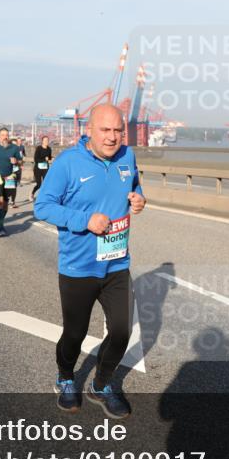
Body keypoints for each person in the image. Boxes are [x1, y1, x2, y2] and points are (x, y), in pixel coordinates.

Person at [34, 104, 147, 419]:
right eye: (105, 130)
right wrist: (85, 220)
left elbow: (133, 186)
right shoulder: (68, 163)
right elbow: (42, 206)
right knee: (75, 333)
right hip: (78, 267)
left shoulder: (127, 157)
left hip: (116, 264)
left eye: (118, 131)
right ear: (88, 130)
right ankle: (66, 377)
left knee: (123, 330)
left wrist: (140, 198)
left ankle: (102, 384)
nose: (113, 138)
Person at [32, 135, 53, 200]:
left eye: (47, 140)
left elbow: (49, 157)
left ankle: (44, 196)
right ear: (42, 141)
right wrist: (44, 159)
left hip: (45, 168)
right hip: (38, 168)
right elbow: (36, 159)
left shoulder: (49, 149)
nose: (46, 142)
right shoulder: (39, 148)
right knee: (39, 184)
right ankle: (32, 193)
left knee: (46, 183)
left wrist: (52, 158)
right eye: (45, 140)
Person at [11, 137, 26, 207]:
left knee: (14, 186)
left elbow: (21, 159)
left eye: (15, 144)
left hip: (16, 169)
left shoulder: (19, 151)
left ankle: (12, 201)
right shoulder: (6, 151)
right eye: (12, 144)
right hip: (8, 171)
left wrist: (20, 164)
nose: (14, 146)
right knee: (8, 187)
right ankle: (6, 198)